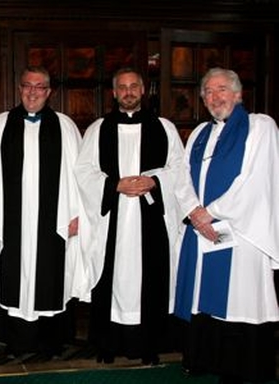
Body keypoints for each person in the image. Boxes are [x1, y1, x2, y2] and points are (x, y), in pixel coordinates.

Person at [173, 67, 279, 384]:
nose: (215, 96)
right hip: (203, 231)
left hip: (242, 234)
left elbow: (255, 179)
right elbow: (182, 178)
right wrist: (193, 211)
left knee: (239, 299)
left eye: (222, 89)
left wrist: (212, 213)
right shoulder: (198, 133)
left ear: (238, 93)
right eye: (208, 91)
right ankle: (203, 357)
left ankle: (241, 366)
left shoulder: (260, 126)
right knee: (202, 297)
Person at [75, 67, 184, 365]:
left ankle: (150, 344)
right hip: (113, 220)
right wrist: (114, 185)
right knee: (113, 278)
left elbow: (179, 170)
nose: (128, 91)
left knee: (151, 278)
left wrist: (154, 182)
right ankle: (109, 343)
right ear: (114, 92)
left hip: (151, 219)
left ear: (143, 90)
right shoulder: (99, 129)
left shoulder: (164, 128)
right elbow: (83, 171)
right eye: (122, 87)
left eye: (134, 86)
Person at [0, 66, 83, 357]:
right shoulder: (0, 124)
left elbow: (80, 174)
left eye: (39, 86)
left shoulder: (65, 126)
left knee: (50, 274)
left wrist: (76, 213)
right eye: (27, 86)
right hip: (10, 219)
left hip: (53, 220)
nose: (32, 92)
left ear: (49, 91)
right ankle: (15, 340)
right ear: (19, 89)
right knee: (11, 272)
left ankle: (49, 341)